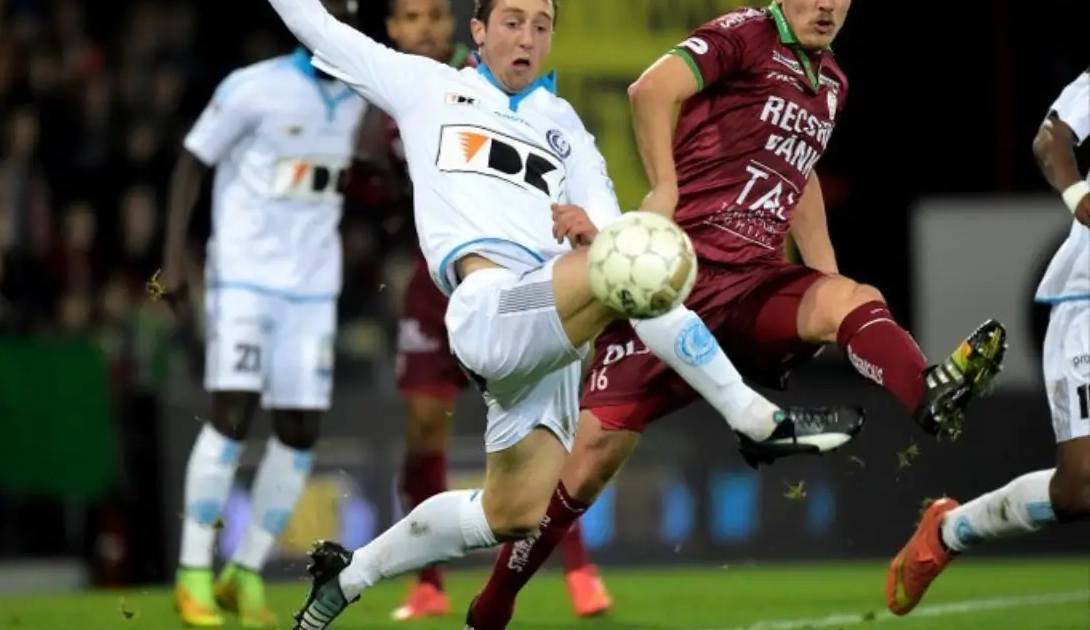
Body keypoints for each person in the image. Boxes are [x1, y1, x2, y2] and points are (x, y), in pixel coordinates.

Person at [263, 0, 862, 627]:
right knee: (638, 265)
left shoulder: (566, 127)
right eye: (512, 22)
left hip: (551, 344)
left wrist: (592, 230)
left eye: (541, 26)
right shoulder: (425, 86)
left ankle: (350, 573)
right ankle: (756, 419)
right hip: (490, 306)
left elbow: (613, 231)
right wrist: (606, 246)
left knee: (511, 513)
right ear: (478, 31)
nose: (526, 38)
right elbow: (319, 29)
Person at [464, 2, 1010, 627]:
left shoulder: (832, 81)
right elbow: (650, 91)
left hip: (753, 284)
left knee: (854, 298)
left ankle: (927, 393)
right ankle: (495, 600)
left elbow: (800, 174)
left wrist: (824, 273)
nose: (826, 5)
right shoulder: (746, 33)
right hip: (675, 283)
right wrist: (664, 187)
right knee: (587, 465)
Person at [359, 0, 610, 620]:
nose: (422, 27)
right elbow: (368, 184)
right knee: (424, 426)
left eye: (431, 15)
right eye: (409, 17)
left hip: (520, 281)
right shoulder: (394, 95)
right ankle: (427, 582)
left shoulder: (496, 95)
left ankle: (577, 566)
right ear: (391, 29)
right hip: (436, 281)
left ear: (459, 29)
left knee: (545, 441)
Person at [157, 2, 367, 626]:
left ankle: (243, 572)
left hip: (313, 289)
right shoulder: (254, 87)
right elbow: (192, 161)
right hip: (245, 279)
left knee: (300, 429)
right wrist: (174, 258)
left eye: (346, 11)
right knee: (232, 414)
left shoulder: (362, 95)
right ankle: (192, 571)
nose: (335, 18)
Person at [884, 67, 1090, 616]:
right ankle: (948, 532)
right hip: (1088, 300)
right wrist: (1078, 195)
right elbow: (1051, 139)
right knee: (1080, 489)